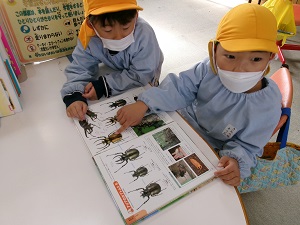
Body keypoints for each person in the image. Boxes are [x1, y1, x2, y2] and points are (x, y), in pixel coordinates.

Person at [115, 3, 282, 186]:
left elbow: (249, 145)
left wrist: (235, 160)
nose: (240, 69)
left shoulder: (268, 104)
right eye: (230, 56)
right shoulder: (207, 69)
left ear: (270, 59)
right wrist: (145, 103)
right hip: (186, 121)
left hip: (216, 147)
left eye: (256, 59)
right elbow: (180, 87)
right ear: (214, 51)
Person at [61, 0, 164, 121]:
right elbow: (80, 66)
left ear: (136, 16)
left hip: (147, 73)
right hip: (116, 68)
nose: (119, 36)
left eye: (126, 27)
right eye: (108, 30)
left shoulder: (144, 33)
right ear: (91, 24)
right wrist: (74, 95)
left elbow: (143, 73)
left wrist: (105, 86)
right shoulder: (89, 36)